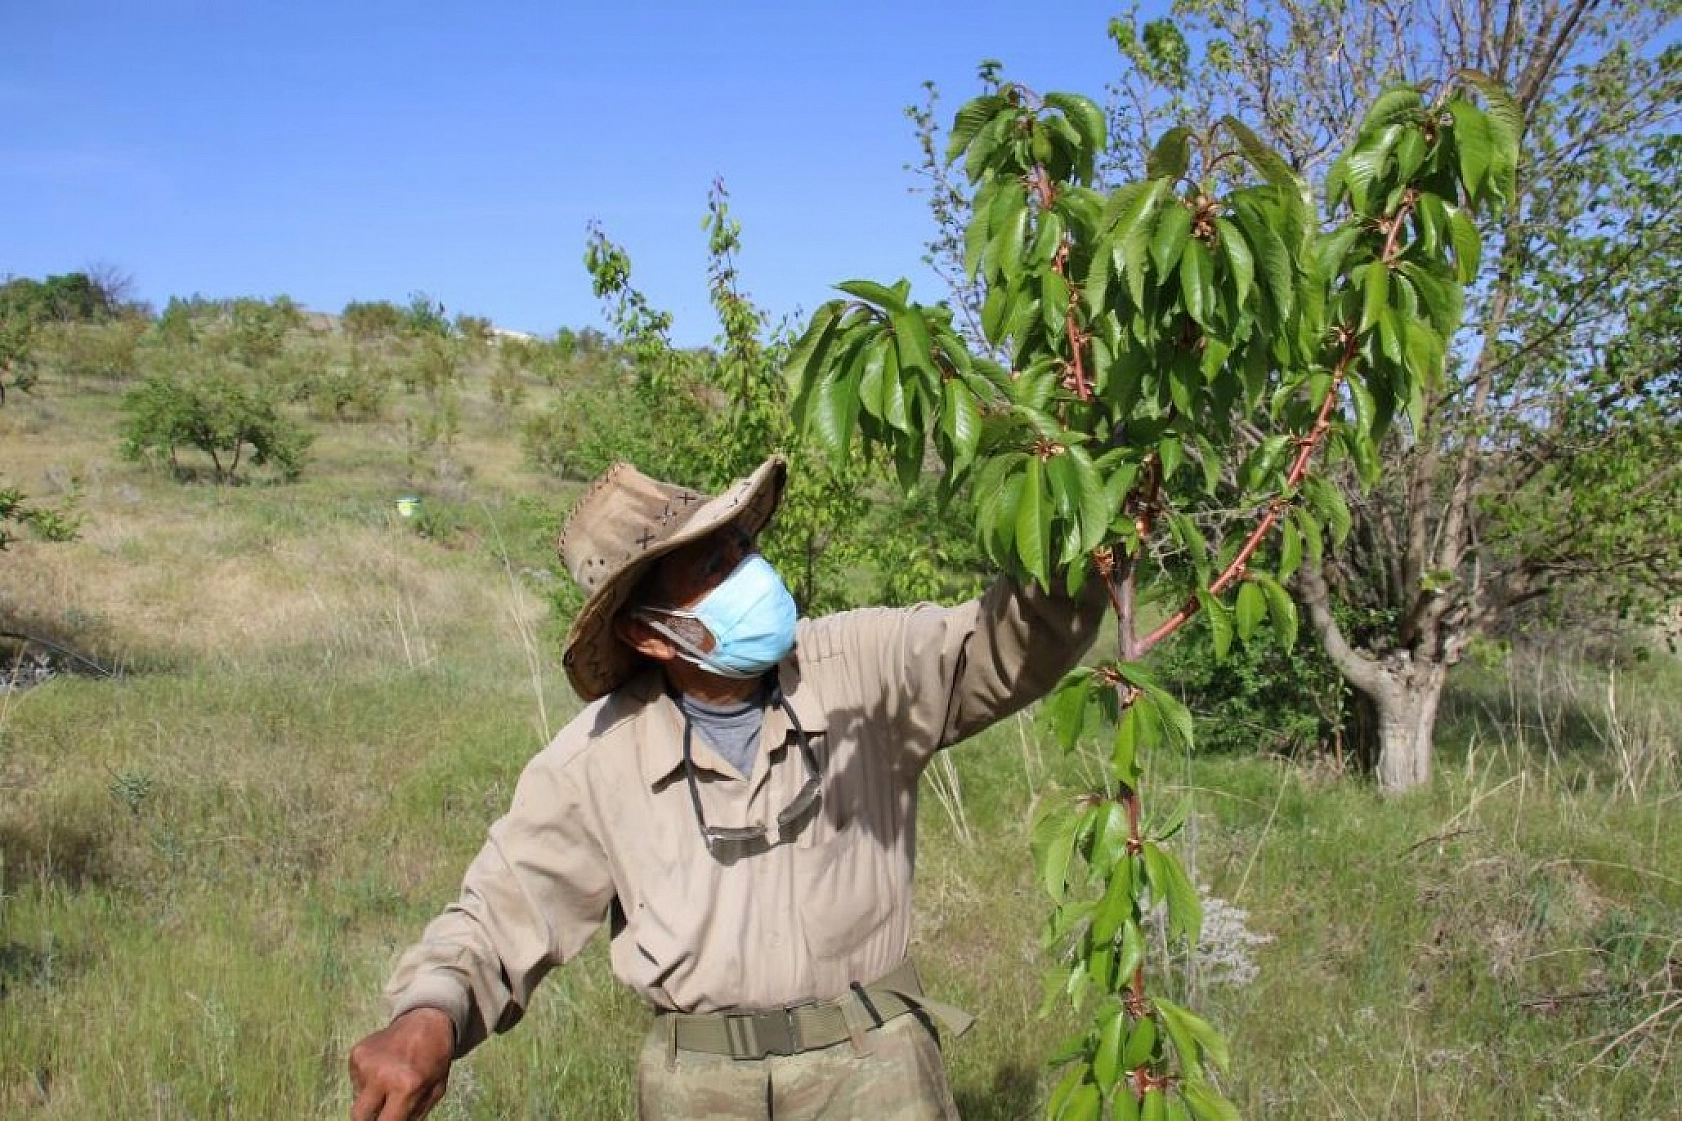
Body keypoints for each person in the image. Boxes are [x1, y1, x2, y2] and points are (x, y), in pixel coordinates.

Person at [348, 454, 1106, 1120]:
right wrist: (429, 1015)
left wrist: (1084, 508)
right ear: (649, 634)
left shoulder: (861, 665)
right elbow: (498, 912)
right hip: (701, 1092)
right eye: (713, 570)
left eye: (744, 548)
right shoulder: (594, 763)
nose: (751, 575)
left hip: (880, 1068)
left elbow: (1006, 645)